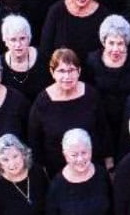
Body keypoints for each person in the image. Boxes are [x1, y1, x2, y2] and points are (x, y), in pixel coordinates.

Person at [28, 48, 110, 176]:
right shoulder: (42, 102)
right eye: (61, 71)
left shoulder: (91, 95)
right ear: (52, 72)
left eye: (71, 70)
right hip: (57, 172)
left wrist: (108, 164)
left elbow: (103, 130)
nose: (67, 76)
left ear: (79, 71)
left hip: (91, 167)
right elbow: (35, 141)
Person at [87, 14, 130, 144]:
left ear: (127, 43)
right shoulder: (92, 61)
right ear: (103, 42)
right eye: (111, 43)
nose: (115, 49)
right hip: (102, 121)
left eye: (120, 44)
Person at [38, 0, 109, 59]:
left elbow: (105, 50)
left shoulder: (103, 14)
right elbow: (45, 47)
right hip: (62, 70)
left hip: (92, 71)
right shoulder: (57, 10)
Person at [0, 14, 50, 104]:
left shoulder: (45, 57)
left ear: (29, 38)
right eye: (13, 40)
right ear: (5, 41)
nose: (18, 44)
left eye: (22, 38)